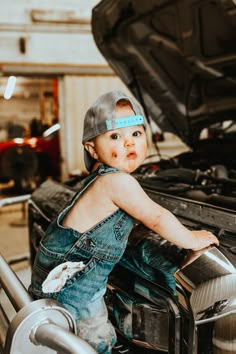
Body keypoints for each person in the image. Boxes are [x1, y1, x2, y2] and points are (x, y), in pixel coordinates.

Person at [29, 90, 219, 354]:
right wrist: (192, 238)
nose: (129, 143)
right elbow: (157, 216)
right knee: (94, 342)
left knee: (89, 334)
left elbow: (120, 222)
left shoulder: (104, 179)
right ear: (92, 149)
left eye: (136, 134)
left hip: (61, 276)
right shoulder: (117, 181)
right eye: (116, 136)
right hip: (72, 287)